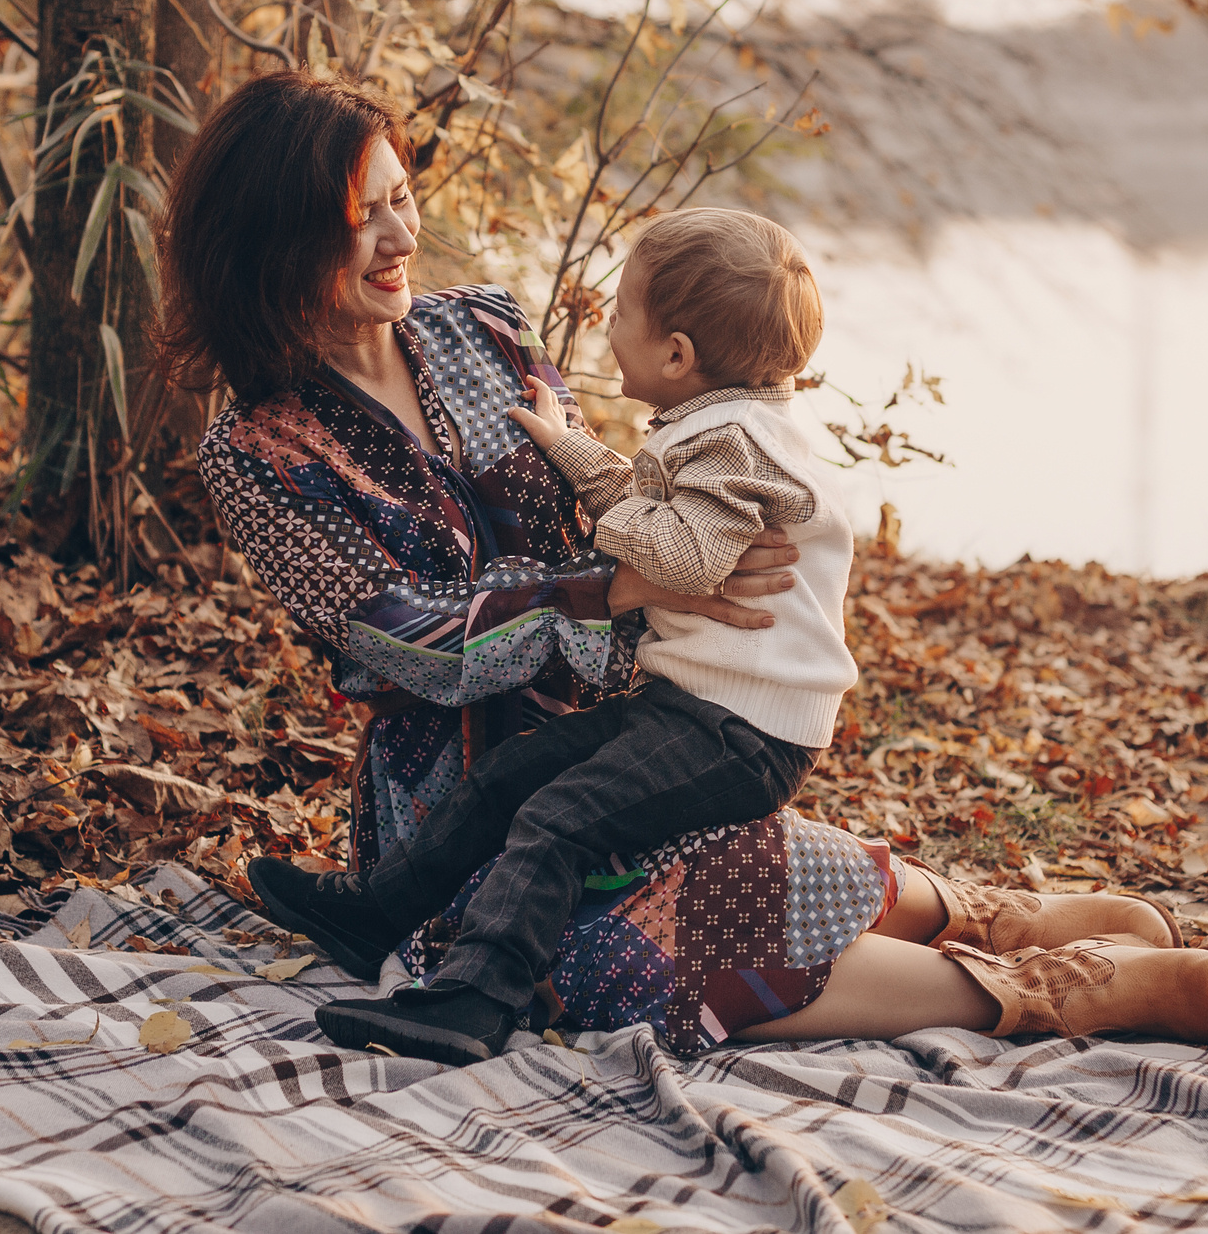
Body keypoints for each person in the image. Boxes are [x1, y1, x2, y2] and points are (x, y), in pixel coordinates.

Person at [166, 69, 1208, 1063]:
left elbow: (644, 498)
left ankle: (1005, 922)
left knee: (721, 848)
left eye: (403, 195)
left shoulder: (483, 329)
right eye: (365, 216)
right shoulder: (258, 452)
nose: (402, 232)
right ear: (278, 240)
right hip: (453, 791)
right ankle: (1048, 987)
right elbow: (401, 642)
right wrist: (620, 588)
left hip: (639, 712)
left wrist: (678, 589)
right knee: (599, 957)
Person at [260, 208, 856, 1064]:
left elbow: (681, 556)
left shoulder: (737, 444)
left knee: (561, 818)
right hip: (697, 707)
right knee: (512, 777)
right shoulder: (732, 425)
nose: (607, 328)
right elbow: (660, 532)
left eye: (620, 314)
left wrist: (594, 490)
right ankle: (374, 911)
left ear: (679, 356)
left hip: (742, 732)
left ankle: (475, 999)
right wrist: (575, 451)